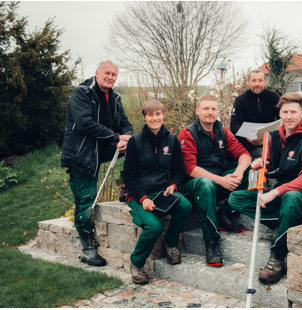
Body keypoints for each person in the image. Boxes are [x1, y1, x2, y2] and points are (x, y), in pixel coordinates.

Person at [228, 93, 302, 284]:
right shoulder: (273, 137)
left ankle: (277, 256)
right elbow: (272, 165)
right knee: (235, 199)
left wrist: (275, 191)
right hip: (282, 195)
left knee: (291, 197)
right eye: (285, 112)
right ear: (280, 113)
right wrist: (261, 163)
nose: (289, 116)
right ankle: (283, 226)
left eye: (293, 112)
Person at [61, 60, 134, 266]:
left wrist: (126, 138)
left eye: (114, 74)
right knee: (85, 200)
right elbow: (86, 124)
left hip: (103, 147)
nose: (110, 77)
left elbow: (126, 124)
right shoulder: (81, 93)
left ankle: (127, 187)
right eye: (107, 73)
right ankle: (87, 249)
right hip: (81, 154)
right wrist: (116, 138)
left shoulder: (115, 97)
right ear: (96, 73)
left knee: (136, 145)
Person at [123, 100, 193, 285]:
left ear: (163, 115)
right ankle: (137, 263)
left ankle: (171, 244)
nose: (155, 118)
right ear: (144, 117)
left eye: (158, 114)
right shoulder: (134, 142)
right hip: (138, 197)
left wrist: (173, 185)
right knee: (155, 227)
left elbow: (178, 171)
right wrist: (142, 198)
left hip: (163, 193)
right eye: (151, 115)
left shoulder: (172, 140)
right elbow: (128, 178)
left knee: (185, 205)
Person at [178, 94, 252, 267]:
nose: (210, 112)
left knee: (253, 170)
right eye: (205, 108)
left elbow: (244, 154)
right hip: (192, 186)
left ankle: (225, 212)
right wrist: (221, 180)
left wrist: (240, 172)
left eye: (213, 109)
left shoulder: (222, 131)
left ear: (217, 111)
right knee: (206, 183)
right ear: (198, 110)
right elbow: (190, 168)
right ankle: (212, 243)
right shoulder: (187, 133)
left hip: (217, 183)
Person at [230, 69, 280, 158]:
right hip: (247, 143)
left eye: (260, 80)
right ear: (248, 82)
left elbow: (282, 118)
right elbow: (234, 125)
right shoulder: (240, 100)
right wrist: (246, 138)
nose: (257, 84)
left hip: (270, 141)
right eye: (254, 80)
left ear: (265, 82)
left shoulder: (274, 97)